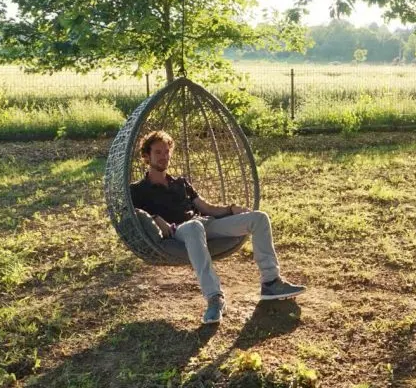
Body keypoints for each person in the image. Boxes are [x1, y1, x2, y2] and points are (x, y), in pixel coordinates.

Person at [130, 130, 305, 324]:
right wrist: (155, 218)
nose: (164, 156)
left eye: (166, 151)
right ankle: (215, 298)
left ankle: (271, 282)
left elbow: (206, 207)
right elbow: (132, 215)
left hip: (206, 224)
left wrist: (231, 209)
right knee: (194, 226)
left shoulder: (180, 182)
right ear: (146, 156)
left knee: (259, 218)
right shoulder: (138, 190)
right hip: (180, 232)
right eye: (158, 152)